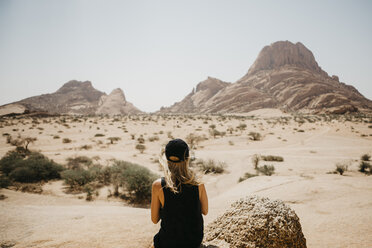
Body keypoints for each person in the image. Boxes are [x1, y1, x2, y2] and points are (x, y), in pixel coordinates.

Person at [151, 139, 208, 248]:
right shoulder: (198, 183)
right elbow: (205, 211)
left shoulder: (158, 185)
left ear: (166, 158)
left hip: (168, 243)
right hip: (194, 241)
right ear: (187, 158)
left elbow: (154, 220)